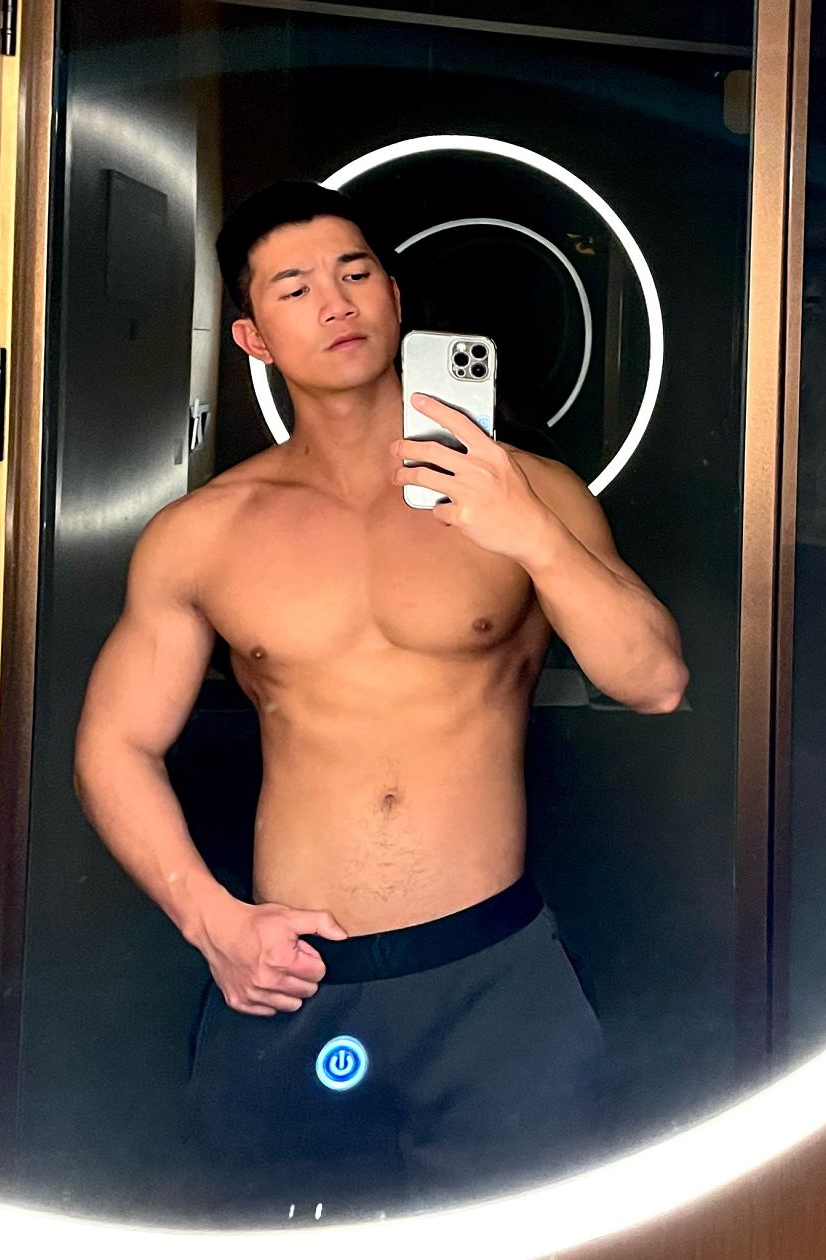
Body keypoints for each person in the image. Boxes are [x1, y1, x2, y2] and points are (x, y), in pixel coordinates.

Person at [73, 180, 689, 1225]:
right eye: (295, 287)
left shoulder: (534, 492)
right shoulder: (206, 532)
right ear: (252, 336)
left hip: (494, 974)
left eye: (356, 273)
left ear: (396, 298)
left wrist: (529, 533)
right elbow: (114, 745)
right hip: (291, 980)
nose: (336, 301)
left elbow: (655, 681)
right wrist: (209, 920)